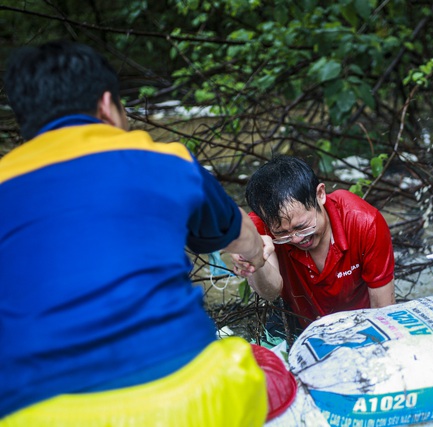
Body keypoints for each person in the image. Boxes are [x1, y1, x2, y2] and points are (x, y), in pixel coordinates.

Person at [0, 40, 271, 425]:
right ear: (107, 107)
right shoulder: (162, 159)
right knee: (251, 366)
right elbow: (241, 234)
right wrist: (257, 254)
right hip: (188, 402)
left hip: (33, 413)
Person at [231, 155, 396, 331]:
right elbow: (271, 292)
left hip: (360, 323)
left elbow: (383, 309)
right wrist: (255, 257)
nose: (296, 239)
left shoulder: (364, 222)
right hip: (300, 323)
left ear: (320, 195)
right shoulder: (258, 227)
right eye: (282, 233)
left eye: (302, 227)